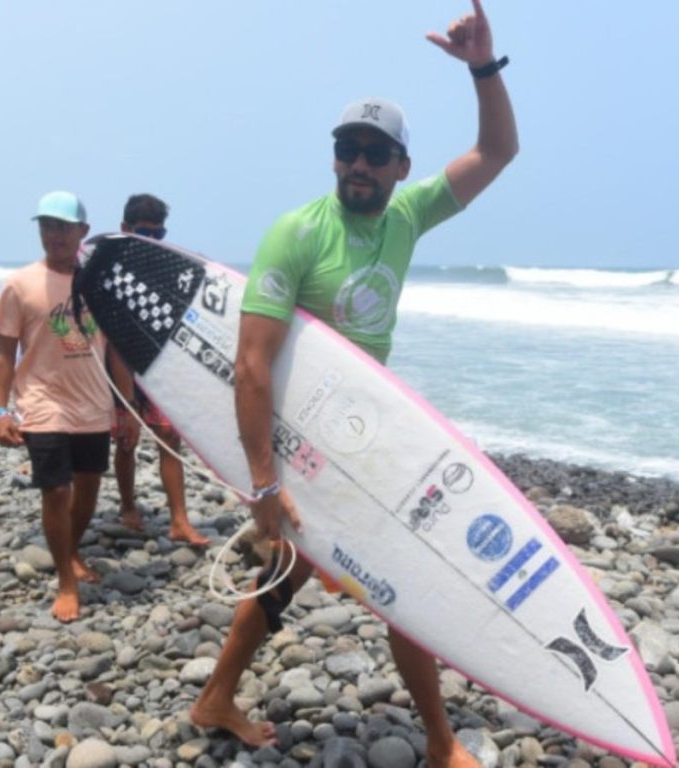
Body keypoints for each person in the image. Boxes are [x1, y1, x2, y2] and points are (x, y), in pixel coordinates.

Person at [190, 2, 517, 766]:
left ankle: (214, 698)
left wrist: (483, 67)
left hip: (361, 436)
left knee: (294, 572)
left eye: (376, 153)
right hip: (302, 447)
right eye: (348, 150)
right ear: (333, 158)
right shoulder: (297, 233)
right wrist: (264, 484)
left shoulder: (408, 214)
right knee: (403, 575)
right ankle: (440, 744)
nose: (360, 165)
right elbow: (250, 363)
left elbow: (498, 151)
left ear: (401, 165)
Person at [0, 190, 140, 623]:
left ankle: (70, 549)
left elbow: (116, 352)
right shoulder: (20, 284)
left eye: (62, 227)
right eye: (46, 226)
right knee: (56, 489)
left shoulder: (99, 284)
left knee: (89, 487)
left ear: (83, 232)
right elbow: (4, 352)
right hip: (41, 401)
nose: (53, 234)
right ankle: (66, 583)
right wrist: (1, 411)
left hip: (93, 402)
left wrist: (126, 408)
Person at [112, 194, 210, 546]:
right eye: (143, 233)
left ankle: (179, 521)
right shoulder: (113, 270)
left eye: (159, 235)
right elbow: (113, 337)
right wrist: (124, 402)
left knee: (170, 439)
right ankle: (127, 507)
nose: (152, 242)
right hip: (122, 363)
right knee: (127, 439)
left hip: (158, 366)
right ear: (125, 229)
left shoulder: (166, 269)